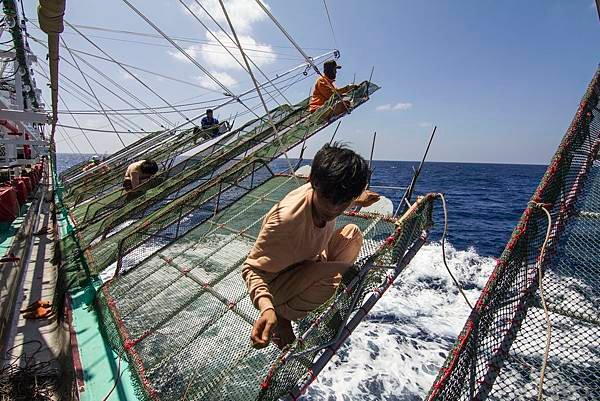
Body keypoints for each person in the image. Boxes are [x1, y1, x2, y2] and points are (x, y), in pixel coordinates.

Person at [242, 142, 380, 349]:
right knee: (334, 278)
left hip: (310, 259)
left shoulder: (330, 190)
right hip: (278, 282)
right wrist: (266, 308)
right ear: (312, 182)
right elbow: (251, 269)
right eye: (327, 199)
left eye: (343, 201)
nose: (333, 209)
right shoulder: (285, 221)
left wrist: (359, 199)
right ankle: (282, 313)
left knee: (351, 234)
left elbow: (336, 195)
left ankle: (309, 296)